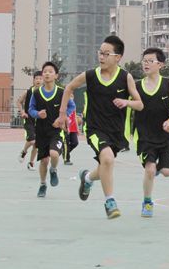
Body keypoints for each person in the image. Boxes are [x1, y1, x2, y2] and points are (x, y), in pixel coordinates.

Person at [54, 35, 143, 219]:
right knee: (108, 159)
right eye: (100, 53)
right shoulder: (91, 75)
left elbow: (140, 104)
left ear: (118, 57)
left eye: (106, 54)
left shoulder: (125, 77)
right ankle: (110, 202)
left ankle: (87, 178)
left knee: (104, 164)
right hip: (95, 128)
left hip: (116, 131)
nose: (101, 57)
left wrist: (126, 102)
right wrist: (62, 114)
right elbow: (69, 88)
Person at [133, 48, 169, 218]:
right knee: (150, 169)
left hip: (165, 136)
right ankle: (147, 202)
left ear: (160, 65)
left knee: (167, 172)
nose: (145, 64)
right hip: (145, 136)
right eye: (144, 60)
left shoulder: (168, 83)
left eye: (150, 61)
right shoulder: (136, 86)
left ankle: (156, 171)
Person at [28, 61, 75, 197]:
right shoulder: (36, 93)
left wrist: (62, 118)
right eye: (45, 72)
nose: (47, 74)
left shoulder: (62, 92)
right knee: (44, 161)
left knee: (54, 154)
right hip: (41, 131)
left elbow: (71, 106)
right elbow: (31, 109)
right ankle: (43, 184)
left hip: (56, 131)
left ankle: (53, 170)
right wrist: (38, 114)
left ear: (56, 76)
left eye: (50, 71)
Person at [18, 71, 42, 170]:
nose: (38, 80)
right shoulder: (28, 92)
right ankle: (24, 151)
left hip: (40, 121)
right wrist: (22, 112)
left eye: (40, 78)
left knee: (36, 144)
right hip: (29, 119)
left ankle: (31, 163)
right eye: (36, 78)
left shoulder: (45, 93)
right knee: (32, 141)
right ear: (33, 80)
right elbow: (19, 102)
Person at [63, 97, 80, 165]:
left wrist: (77, 129)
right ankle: (67, 159)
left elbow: (75, 117)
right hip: (66, 127)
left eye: (72, 97)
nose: (71, 99)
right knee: (66, 143)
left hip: (73, 128)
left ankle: (65, 152)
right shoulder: (63, 106)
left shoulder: (73, 106)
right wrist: (66, 127)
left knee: (75, 142)